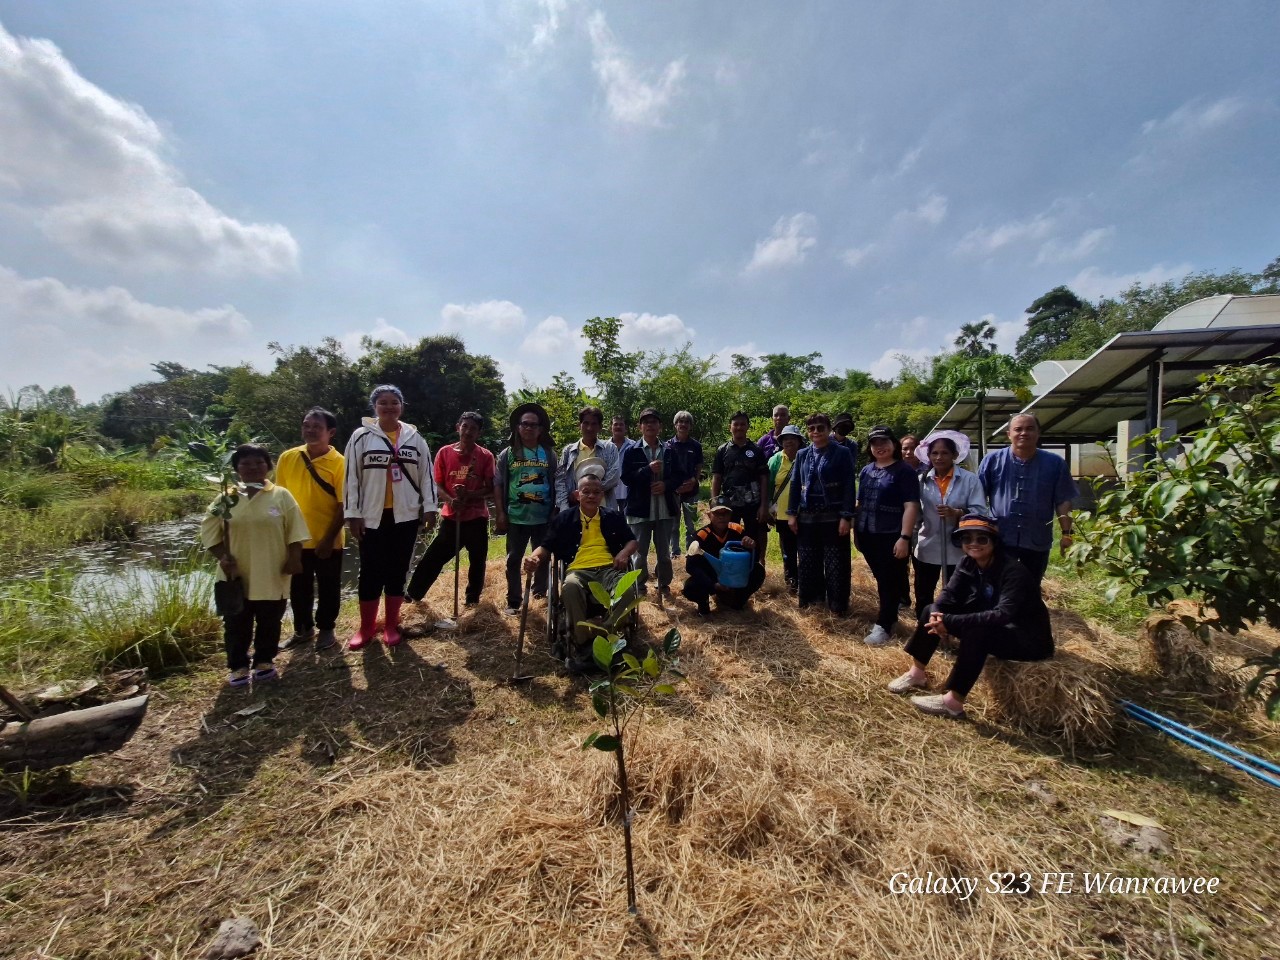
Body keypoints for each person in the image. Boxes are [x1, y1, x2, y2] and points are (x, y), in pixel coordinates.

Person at [888, 513, 1054, 719]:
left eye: (981, 539)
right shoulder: (968, 562)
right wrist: (939, 615)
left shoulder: (1014, 572)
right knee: (930, 609)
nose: (973, 544)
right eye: (967, 538)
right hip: (996, 626)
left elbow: (1002, 615)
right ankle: (917, 674)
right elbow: (949, 594)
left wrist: (949, 622)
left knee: (978, 632)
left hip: (1026, 639)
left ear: (994, 541)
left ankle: (953, 703)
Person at [202, 444, 309, 687]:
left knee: (270, 619)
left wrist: (294, 559)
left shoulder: (281, 495)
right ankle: (238, 665)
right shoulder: (226, 497)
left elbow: (296, 531)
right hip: (236, 573)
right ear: (236, 468)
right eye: (246, 463)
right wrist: (222, 556)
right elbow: (209, 532)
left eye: (259, 463)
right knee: (236, 622)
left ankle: (264, 660)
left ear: (268, 467)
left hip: (272, 570)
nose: (253, 468)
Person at [343, 385, 438, 649]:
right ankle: (366, 628)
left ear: (402, 406)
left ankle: (391, 625)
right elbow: (351, 477)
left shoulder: (414, 438)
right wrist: (352, 514)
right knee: (371, 572)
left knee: (398, 571)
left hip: (405, 517)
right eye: (383, 403)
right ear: (374, 407)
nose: (389, 407)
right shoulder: (361, 437)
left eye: (394, 402)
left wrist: (430, 507)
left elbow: (427, 475)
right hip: (371, 516)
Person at [524, 475, 639, 672]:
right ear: (578, 495)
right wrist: (533, 558)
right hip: (578, 570)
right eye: (586, 492)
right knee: (569, 587)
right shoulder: (564, 519)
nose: (591, 496)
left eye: (596, 492)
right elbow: (546, 546)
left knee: (627, 589)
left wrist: (624, 552)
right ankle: (583, 642)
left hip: (608, 569)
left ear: (602, 495)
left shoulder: (613, 517)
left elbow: (632, 541)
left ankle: (607, 636)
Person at [407, 411, 497, 608]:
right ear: (458, 427)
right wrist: (451, 499)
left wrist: (469, 495)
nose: (468, 432)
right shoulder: (444, 453)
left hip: (477, 518)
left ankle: (472, 600)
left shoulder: (485, 456)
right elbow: (436, 484)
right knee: (433, 557)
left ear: (479, 433)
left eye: (473, 429)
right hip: (451, 518)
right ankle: (413, 594)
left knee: (477, 562)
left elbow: (490, 488)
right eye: (465, 427)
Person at [977, 413, 1079, 582]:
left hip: (1036, 538)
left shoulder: (1055, 463)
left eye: (1030, 429)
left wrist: (1067, 534)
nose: (1024, 433)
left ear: (1038, 433)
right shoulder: (992, 460)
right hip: (1000, 538)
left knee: (1031, 586)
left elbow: (1063, 500)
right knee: (997, 584)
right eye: (1018, 429)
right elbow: (978, 498)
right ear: (1009, 434)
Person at [276, 408, 346, 651]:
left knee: (328, 586)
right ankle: (303, 630)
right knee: (298, 588)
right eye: (307, 425)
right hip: (296, 540)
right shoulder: (287, 458)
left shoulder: (340, 463)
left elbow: (343, 505)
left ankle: (327, 629)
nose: (310, 430)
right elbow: (279, 499)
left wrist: (328, 539)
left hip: (328, 539)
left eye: (317, 426)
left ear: (331, 432)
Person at [855, 425, 921, 646]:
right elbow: (860, 503)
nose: (879, 446)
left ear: (894, 444)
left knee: (888, 581)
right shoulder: (867, 470)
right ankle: (889, 617)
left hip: (891, 535)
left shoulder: (904, 471)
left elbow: (911, 506)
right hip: (867, 534)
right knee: (882, 579)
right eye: (874, 443)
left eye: (884, 442)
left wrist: (904, 537)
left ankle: (884, 624)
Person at [911, 431, 987, 618]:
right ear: (928, 456)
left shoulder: (970, 480)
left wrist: (958, 513)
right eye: (934, 453)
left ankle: (953, 628)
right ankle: (926, 630)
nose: (939, 457)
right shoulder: (921, 481)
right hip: (927, 544)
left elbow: (980, 511)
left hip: (958, 549)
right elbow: (915, 513)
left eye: (944, 453)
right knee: (924, 593)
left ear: (954, 455)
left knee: (958, 593)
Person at [787, 413, 857, 614]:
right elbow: (795, 484)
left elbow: (848, 486)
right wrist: (792, 513)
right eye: (811, 428)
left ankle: (837, 606)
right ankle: (811, 602)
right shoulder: (802, 454)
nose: (816, 432)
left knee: (836, 563)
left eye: (820, 428)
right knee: (808, 561)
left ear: (829, 429)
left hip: (833, 516)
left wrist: (846, 516)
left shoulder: (842, 452)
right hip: (807, 516)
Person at [621, 408, 695, 595]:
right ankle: (639, 586)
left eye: (654, 422)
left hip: (664, 509)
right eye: (646, 422)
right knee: (640, 553)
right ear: (640, 427)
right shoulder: (632, 451)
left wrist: (666, 485)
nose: (650, 425)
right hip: (640, 510)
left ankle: (663, 584)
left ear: (660, 427)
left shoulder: (669, 451)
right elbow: (626, 478)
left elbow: (679, 476)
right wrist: (647, 470)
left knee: (664, 553)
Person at [493, 403, 557, 615]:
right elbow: (499, 483)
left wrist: (555, 512)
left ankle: (539, 594)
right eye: (525, 424)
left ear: (540, 429)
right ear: (517, 427)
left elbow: (557, 481)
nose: (529, 428)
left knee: (542, 557)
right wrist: (500, 513)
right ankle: (514, 601)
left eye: (533, 425)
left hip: (543, 517)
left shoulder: (548, 454)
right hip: (516, 518)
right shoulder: (507, 454)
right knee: (513, 559)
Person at [683, 498, 766, 615]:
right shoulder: (701, 536)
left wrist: (752, 546)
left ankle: (738, 602)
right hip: (712, 577)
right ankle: (704, 604)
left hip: (734, 575)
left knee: (758, 571)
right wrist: (713, 585)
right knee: (691, 586)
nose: (721, 517)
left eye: (725, 513)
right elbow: (691, 566)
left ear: (731, 515)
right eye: (717, 513)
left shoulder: (738, 530)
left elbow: (754, 558)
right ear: (709, 515)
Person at [711, 411, 770, 563]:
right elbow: (716, 477)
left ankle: (755, 567)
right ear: (729, 427)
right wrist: (714, 503)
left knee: (753, 537)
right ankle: (732, 568)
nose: (739, 427)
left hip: (753, 503)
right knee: (729, 536)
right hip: (729, 504)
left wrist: (764, 505)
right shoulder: (722, 450)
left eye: (742, 424)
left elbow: (764, 478)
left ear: (747, 426)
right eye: (735, 424)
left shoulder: (756, 450)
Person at [557, 405, 622, 511]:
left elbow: (614, 477)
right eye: (586, 423)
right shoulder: (568, 451)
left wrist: (585, 491)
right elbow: (560, 481)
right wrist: (564, 508)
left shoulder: (609, 448)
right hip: (576, 511)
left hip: (604, 509)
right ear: (579, 425)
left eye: (594, 424)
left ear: (600, 427)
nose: (589, 428)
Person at [767, 423, 805, 593]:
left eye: (793, 438)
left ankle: (807, 581)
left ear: (799, 441)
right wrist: (767, 508)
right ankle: (792, 583)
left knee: (806, 549)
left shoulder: (806, 457)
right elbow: (768, 486)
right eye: (786, 439)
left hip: (805, 514)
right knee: (788, 551)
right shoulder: (775, 460)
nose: (789, 442)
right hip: (782, 514)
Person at [666, 411, 704, 560]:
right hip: (674, 491)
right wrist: (674, 486)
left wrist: (694, 480)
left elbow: (699, 465)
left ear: (690, 425)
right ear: (675, 425)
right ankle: (674, 552)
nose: (683, 424)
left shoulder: (696, 445)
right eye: (680, 421)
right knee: (674, 524)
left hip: (691, 491)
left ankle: (691, 551)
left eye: (686, 422)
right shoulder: (668, 445)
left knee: (691, 524)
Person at [608, 414, 640, 515]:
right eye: (615, 424)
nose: (618, 427)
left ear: (625, 428)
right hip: (609, 493)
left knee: (627, 526)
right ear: (611, 428)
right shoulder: (604, 447)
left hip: (628, 493)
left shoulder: (634, 446)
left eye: (621, 425)